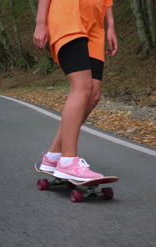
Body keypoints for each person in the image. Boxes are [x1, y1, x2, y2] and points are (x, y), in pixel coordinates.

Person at [33, 0, 118, 181]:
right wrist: (40, 23)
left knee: (93, 94)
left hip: (95, 24)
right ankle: (68, 162)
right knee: (82, 87)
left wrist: (110, 25)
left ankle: (53, 156)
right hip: (68, 15)